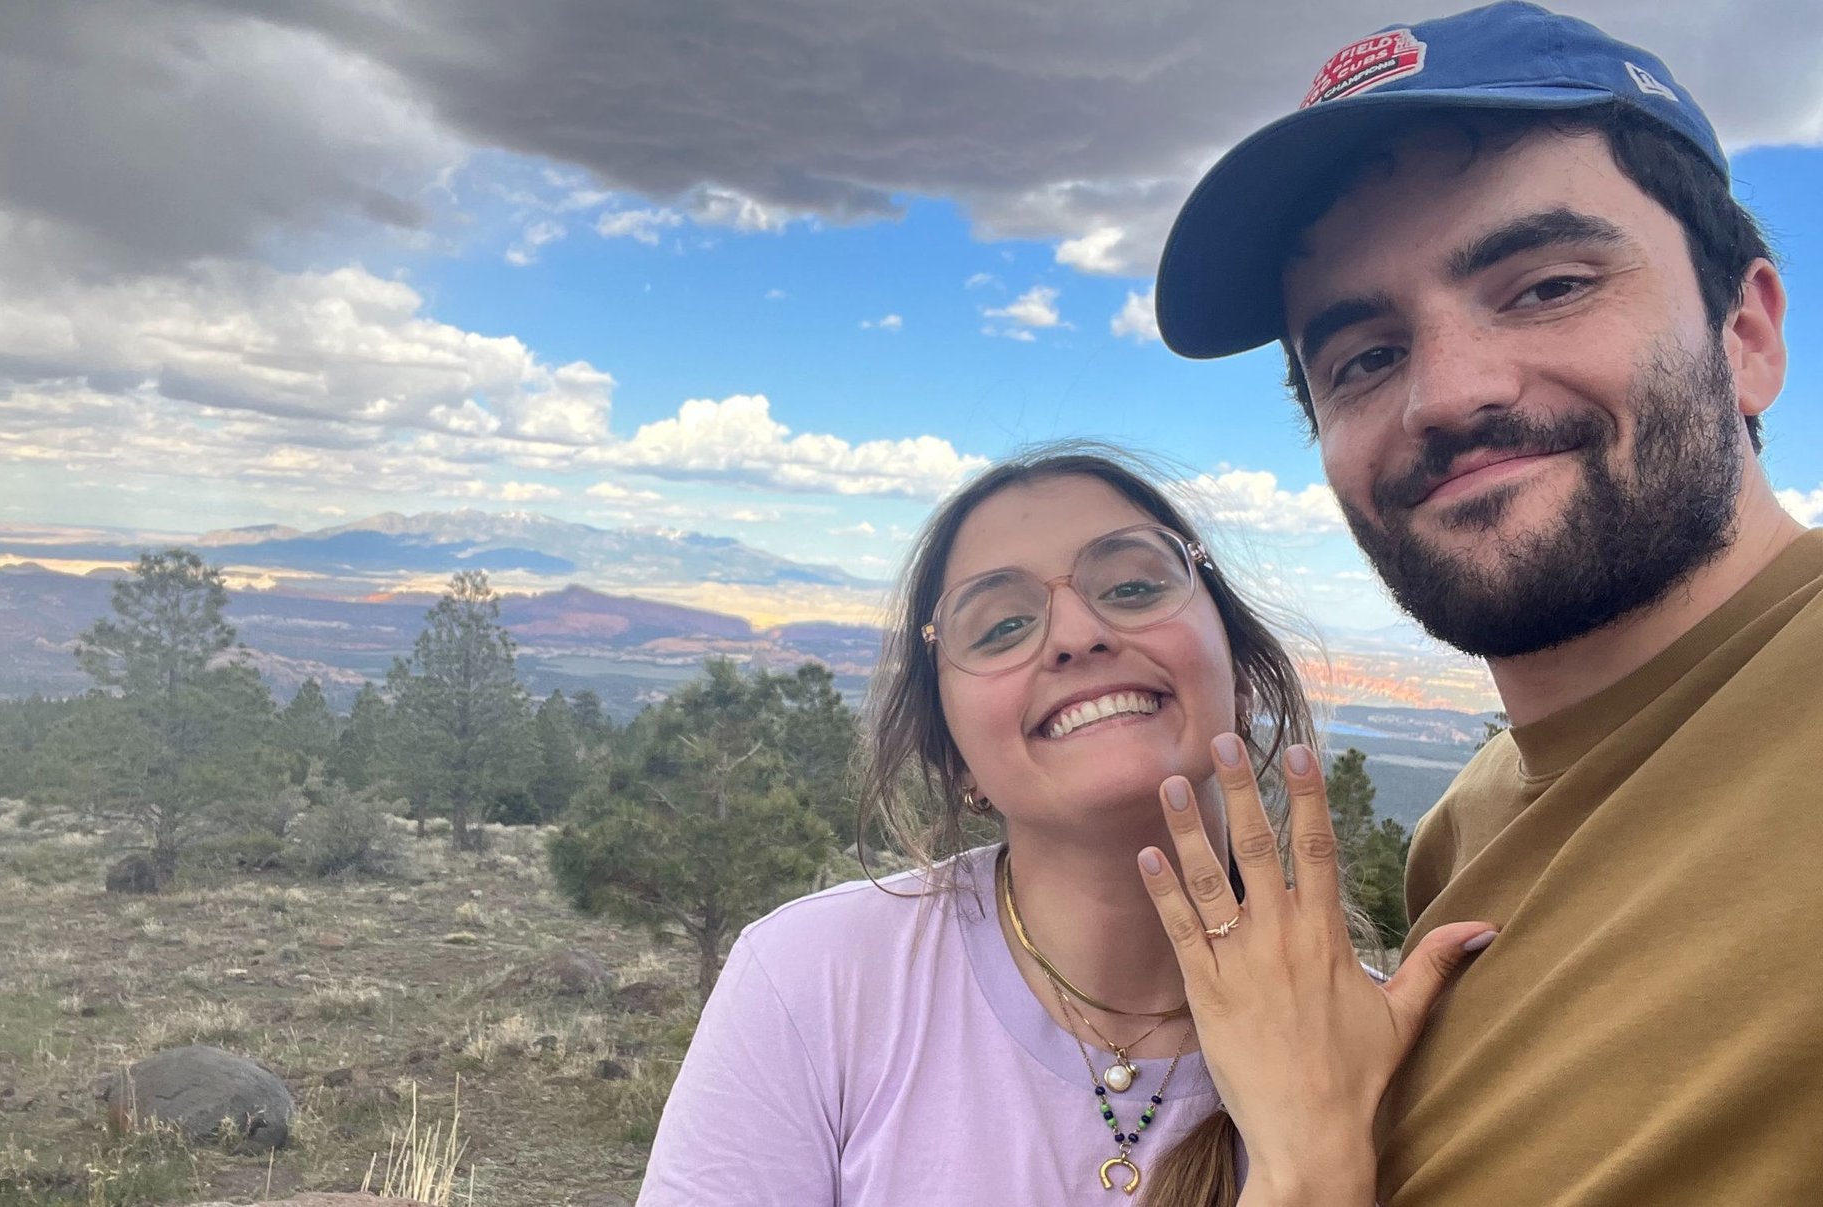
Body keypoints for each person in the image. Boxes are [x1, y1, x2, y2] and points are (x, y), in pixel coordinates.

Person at [1153, 3, 1822, 1204]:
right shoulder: (1464, 831)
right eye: (1361, 355)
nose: (1447, 394)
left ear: (1748, 333)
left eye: (1548, 284)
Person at [636, 445, 1494, 1206]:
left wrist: (1318, 1142)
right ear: (956, 756)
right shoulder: (813, 985)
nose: (1078, 633)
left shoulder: (1374, 1048)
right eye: (1001, 624)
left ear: (1239, 666)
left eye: (1131, 585)